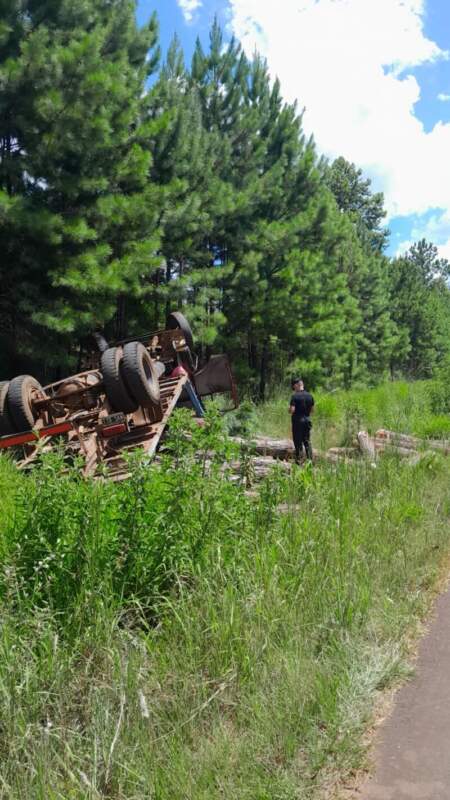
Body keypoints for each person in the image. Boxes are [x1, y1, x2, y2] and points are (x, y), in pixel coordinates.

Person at [289, 378, 314, 463]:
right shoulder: (310, 396)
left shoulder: (294, 396)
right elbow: (312, 410)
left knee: (298, 441)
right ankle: (310, 461)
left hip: (297, 421)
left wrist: (289, 410)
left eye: (294, 386)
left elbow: (292, 410)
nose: (293, 388)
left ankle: (299, 461)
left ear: (296, 385)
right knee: (307, 441)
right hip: (307, 420)